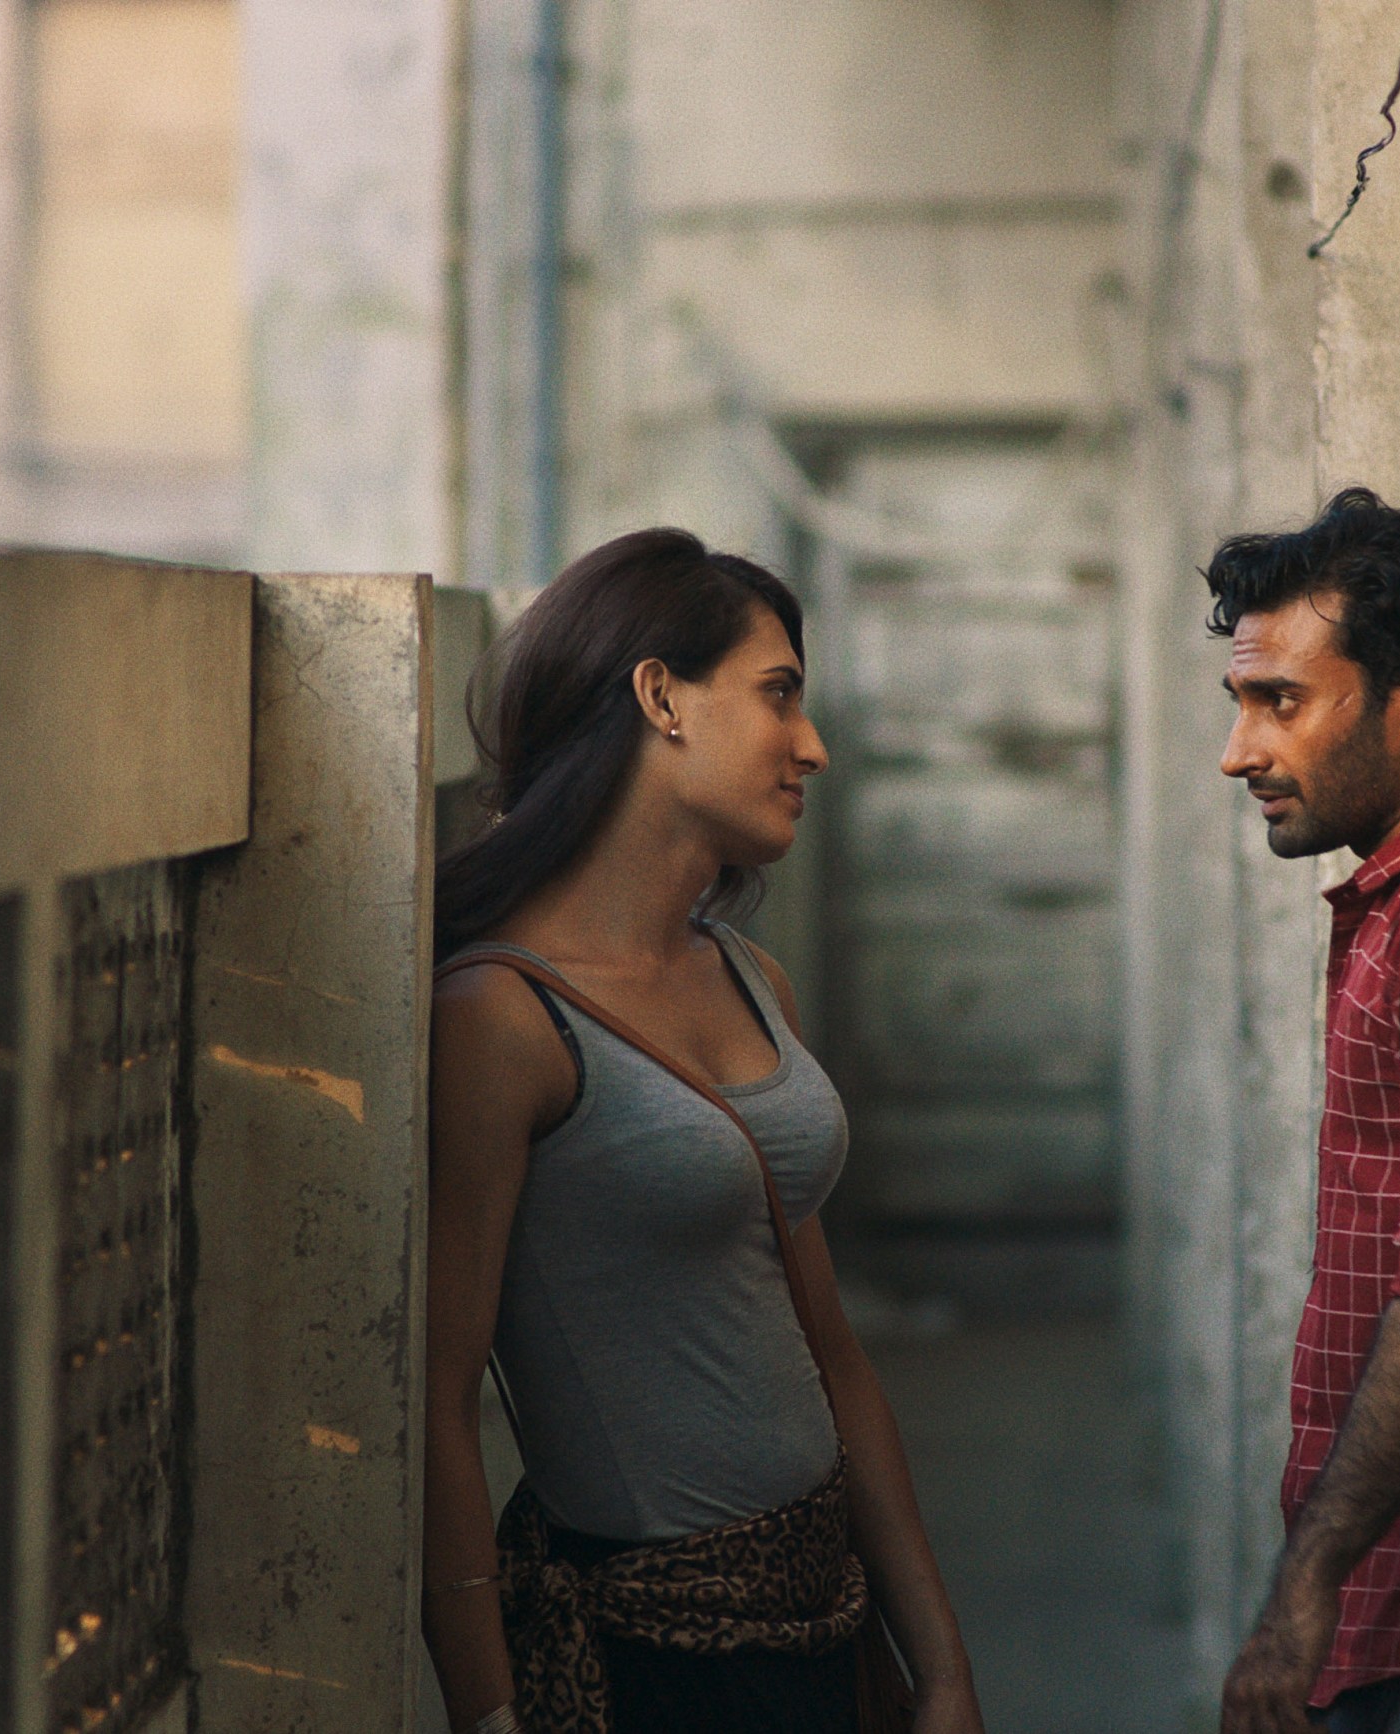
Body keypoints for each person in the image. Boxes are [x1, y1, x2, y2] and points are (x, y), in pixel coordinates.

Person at [420, 529, 984, 1734]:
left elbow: (829, 1350)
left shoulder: (748, 978)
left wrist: (937, 1665)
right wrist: (486, 1712)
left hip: (827, 1620)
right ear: (660, 696)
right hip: (656, 1653)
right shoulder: (497, 1017)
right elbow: (434, 1400)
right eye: (779, 694)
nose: (812, 745)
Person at [1210, 489, 1400, 1734]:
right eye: (1241, 704)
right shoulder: (1393, 900)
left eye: (1281, 703)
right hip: (1387, 1599)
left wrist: (1304, 1591)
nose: (1239, 751)